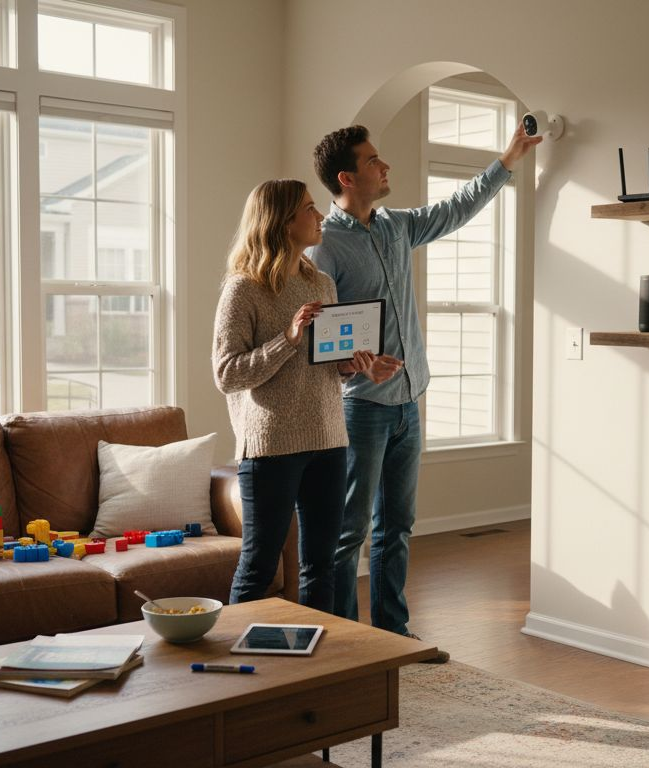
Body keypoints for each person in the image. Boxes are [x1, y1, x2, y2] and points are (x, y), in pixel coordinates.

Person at [309, 123, 542, 660]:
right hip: (361, 410)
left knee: (397, 528)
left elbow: (457, 207)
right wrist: (355, 366)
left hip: (409, 405)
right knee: (349, 537)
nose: (384, 167)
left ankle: (393, 635)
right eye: (373, 162)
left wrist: (507, 159)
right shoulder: (325, 246)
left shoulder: (395, 226)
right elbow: (324, 342)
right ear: (347, 177)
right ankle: (351, 646)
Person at [213, 179, 402, 613]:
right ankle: (239, 671)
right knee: (259, 566)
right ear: (281, 221)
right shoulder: (243, 289)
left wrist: (355, 366)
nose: (320, 217)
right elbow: (227, 374)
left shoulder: (320, 283)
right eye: (310, 209)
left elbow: (323, 369)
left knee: (322, 566)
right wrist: (289, 337)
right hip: (271, 446)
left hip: (329, 438)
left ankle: (317, 664)